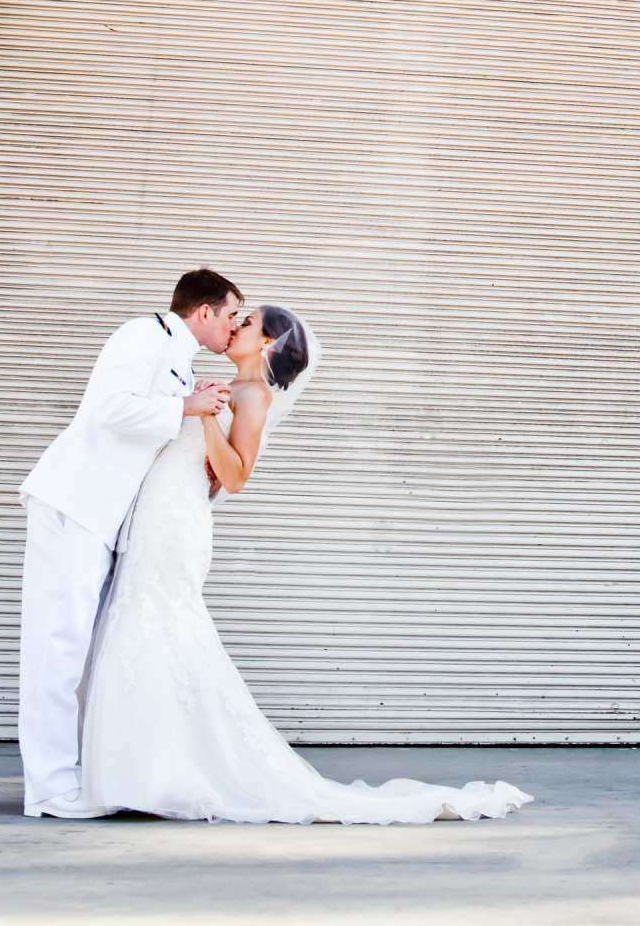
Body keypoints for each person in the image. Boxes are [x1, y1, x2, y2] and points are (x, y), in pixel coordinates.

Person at [75, 303, 531, 823]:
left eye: (245, 324)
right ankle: (135, 767)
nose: (234, 326)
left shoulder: (253, 395)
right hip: (155, 511)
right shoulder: (222, 388)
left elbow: (235, 476)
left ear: (267, 344)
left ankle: (164, 772)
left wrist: (203, 421)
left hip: (178, 517)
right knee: (136, 620)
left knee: (162, 622)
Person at [16, 268, 243, 818]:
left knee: (79, 648)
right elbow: (108, 411)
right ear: (205, 312)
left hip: (105, 519)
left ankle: (70, 775)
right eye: (232, 314)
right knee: (57, 645)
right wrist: (187, 406)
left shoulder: (178, 358)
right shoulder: (143, 335)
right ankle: (47, 787)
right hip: (75, 504)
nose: (235, 327)